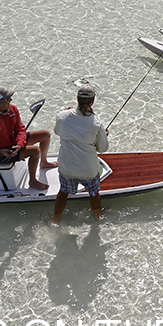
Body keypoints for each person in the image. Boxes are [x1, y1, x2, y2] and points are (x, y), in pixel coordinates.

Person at [0, 86, 57, 190]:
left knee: (45, 134)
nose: (11, 100)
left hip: (14, 143)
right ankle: (32, 181)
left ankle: (44, 162)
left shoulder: (13, 109)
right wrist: (0, 151)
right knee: (35, 150)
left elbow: (20, 129)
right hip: (2, 154)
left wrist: (20, 144)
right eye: (8, 98)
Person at [51, 84, 109, 223]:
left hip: (67, 166)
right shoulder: (96, 123)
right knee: (94, 193)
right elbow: (103, 149)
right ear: (92, 101)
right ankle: (97, 214)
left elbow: (58, 132)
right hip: (88, 168)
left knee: (63, 192)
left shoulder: (62, 115)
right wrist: (102, 135)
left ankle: (55, 218)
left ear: (77, 99)